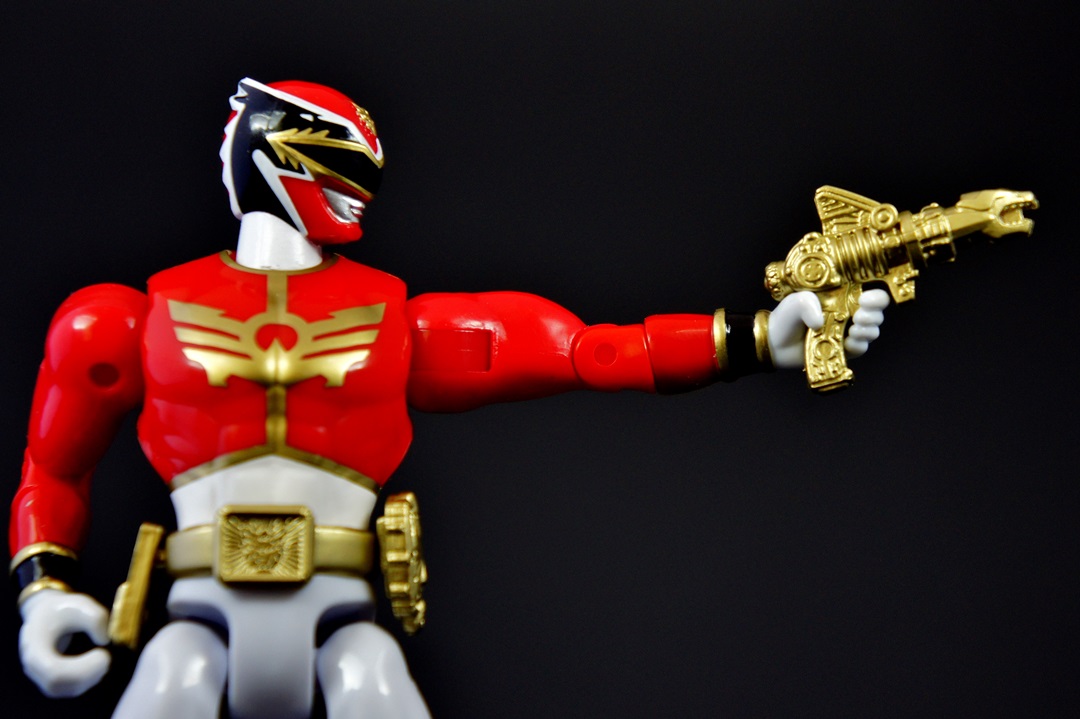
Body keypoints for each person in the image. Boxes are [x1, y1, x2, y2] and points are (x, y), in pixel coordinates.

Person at [9, 78, 888, 719]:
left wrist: (757, 338)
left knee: (375, 687)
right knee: (171, 686)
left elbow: (588, 350)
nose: (361, 185)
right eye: (339, 163)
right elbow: (53, 468)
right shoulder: (127, 320)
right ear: (278, 152)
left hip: (342, 610)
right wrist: (42, 590)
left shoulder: (396, 324)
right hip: (195, 609)